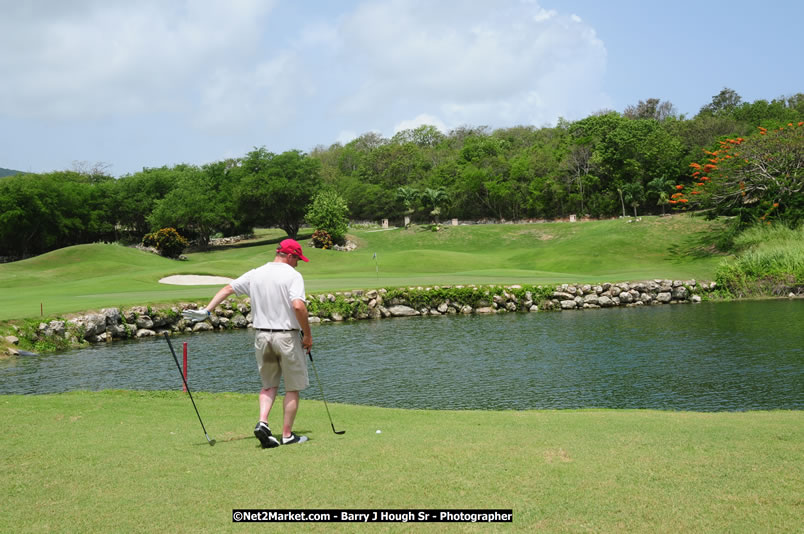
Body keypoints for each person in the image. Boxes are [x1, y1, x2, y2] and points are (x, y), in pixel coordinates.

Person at [182, 238, 313, 448]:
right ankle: (287, 435)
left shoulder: (256, 273)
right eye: (297, 259)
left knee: (268, 385)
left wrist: (207, 310)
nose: (298, 264)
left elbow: (228, 289)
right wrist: (307, 335)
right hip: (286, 337)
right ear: (290, 256)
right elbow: (298, 306)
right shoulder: (293, 275)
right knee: (292, 387)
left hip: (262, 336)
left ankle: (263, 423)